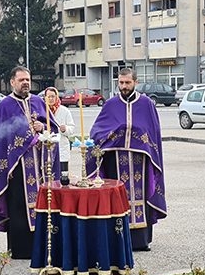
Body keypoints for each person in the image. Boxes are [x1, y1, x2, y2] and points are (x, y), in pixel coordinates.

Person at [86, 68, 167, 252]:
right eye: (121, 83)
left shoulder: (147, 104)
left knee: (142, 196)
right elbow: (98, 131)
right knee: (118, 197)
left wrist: (134, 134)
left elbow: (153, 133)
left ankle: (141, 240)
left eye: (127, 83)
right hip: (115, 160)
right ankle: (118, 241)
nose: (123, 86)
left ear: (135, 83)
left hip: (141, 161)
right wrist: (114, 135)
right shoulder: (111, 104)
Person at [0, 66, 58, 259]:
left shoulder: (38, 101)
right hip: (16, 168)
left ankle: (44, 246)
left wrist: (42, 126)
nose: (25, 83)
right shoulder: (4, 106)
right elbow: (0, 140)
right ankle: (20, 249)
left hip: (40, 167)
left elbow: (53, 130)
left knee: (43, 205)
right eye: (21, 80)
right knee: (18, 207)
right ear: (12, 82)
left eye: (27, 79)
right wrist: (27, 136)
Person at [43, 87, 75, 185]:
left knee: (62, 176)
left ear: (57, 97)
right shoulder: (42, 111)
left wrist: (65, 129)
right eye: (49, 97)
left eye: (53, 96)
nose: (51, 99)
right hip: (47, 148)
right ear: (45, 98)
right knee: (48, 175)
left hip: (62, 149)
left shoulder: (64, 111)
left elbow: (72, 128)